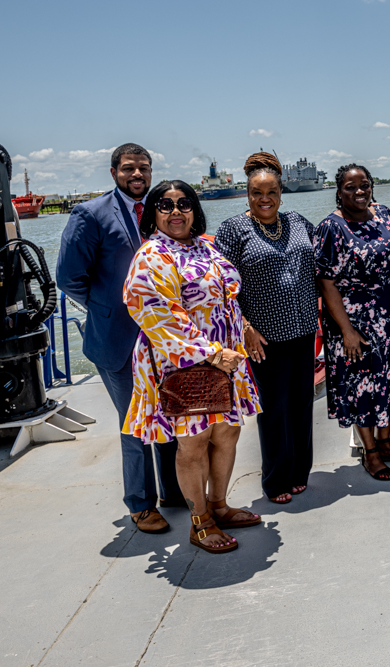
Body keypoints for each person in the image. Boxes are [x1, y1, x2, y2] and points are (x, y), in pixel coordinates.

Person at [123, 180, 263, 554]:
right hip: (183, 363)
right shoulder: (152, 256)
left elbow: (227, 299)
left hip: (226, 358)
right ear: (152, 213)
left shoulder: (206, 246)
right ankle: (200, 521)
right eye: (165, 205)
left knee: (227, 433)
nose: (176, 211)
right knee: (194, 441)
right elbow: (159, 316)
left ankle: (220, 506)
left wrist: (243, 328)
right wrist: (212, 354)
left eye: (184, 204)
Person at [57, 143, 182, 534]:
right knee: (136, 422)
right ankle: (140, 504)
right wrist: (108, 308)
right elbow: (68, 278)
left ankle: (173, 490)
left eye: (144, 167)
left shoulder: (161, 210)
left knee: (169, 415)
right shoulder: (90, 214)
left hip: (161, 339)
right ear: (114, 173)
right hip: (118, 340)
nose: (137, 174)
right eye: (129, 168)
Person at [215, 153, 318, 504]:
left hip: (304, 328)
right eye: (257, 192)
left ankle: (300, 471)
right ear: (247, 194)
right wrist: (244, 327)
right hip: (264, 336)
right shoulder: (233, 229)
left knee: (301, 403)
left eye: (272, 191)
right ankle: (275, 480)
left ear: (281, 193)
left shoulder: (297, 221)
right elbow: (222, 286)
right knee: (274, 409)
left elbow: (328, 250)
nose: (265, 198)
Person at [314, 164, 390, 481]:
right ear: (339, 192)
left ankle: (386, 444)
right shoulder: (331, 227)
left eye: (365, 185)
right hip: (356, 323)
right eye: (351, 187)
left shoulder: (383, 213)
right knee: (363, 387)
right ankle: (370, 453)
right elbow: (326, 282)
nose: (359, 191)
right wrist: (347, 331)